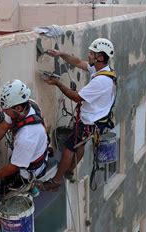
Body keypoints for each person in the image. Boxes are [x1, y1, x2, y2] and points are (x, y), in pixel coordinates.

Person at [41, 38, 117, 191]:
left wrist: (58, 83)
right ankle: (70, 169)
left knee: (69, 148)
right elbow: (77, 62)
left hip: (90, 122)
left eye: (92, 53)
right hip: (96, 120)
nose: (88, 55)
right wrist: (60, 54)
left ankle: (55, 181)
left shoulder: (101, 81)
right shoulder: (103, 70)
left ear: (100, 57)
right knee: (79, 144)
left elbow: (76, 97)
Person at [0, 79, 48, 232]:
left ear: (18, 108)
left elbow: (13, 167)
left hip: (31, 167)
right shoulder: (29, 105)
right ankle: (32, 187)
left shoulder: (27, 136)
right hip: (38, 154)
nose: (4, 112)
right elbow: (3, 127)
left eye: (6, 109)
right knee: (18, 158)